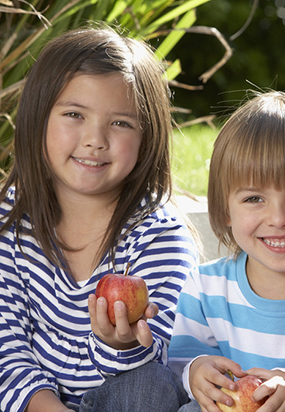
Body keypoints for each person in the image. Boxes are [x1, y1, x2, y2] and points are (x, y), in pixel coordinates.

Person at [0, 27, 198, 412]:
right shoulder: (8, 224)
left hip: (119, 401)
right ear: (39, 118)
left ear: (147, 137)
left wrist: (118, 344)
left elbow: (160, 361)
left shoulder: (159, 236)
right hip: (30, 405)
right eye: (74, 114)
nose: (95, 139)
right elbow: (6, 354)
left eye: (121, 123)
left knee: (150, 386)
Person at [168, 91, 285, 412]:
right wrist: (197, 372)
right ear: (225, 209)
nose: (279, 219)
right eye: (254, 199)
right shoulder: (205, 288)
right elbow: (179, 365)